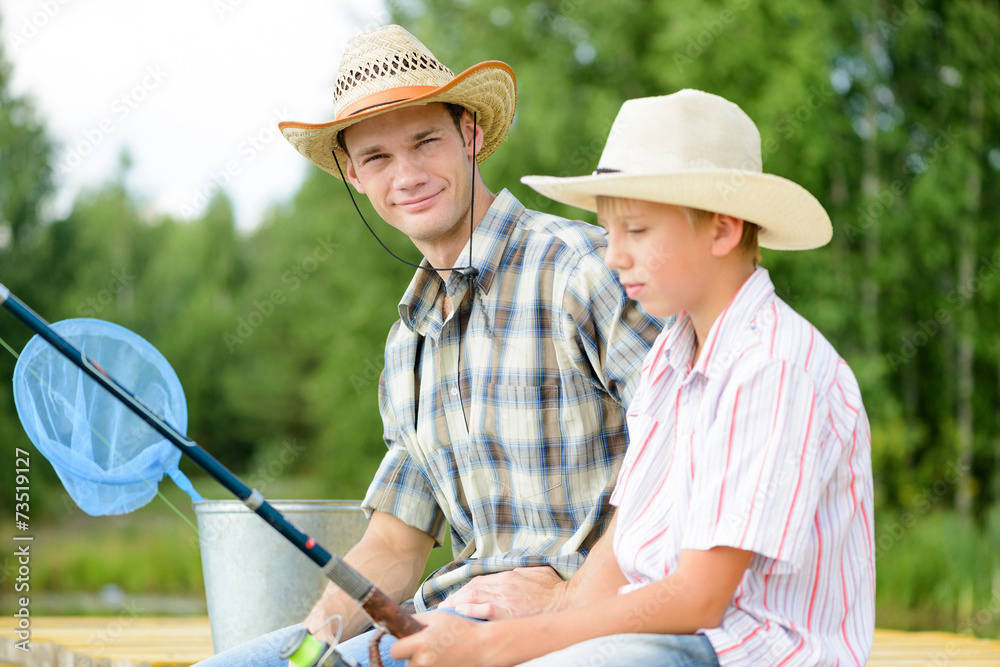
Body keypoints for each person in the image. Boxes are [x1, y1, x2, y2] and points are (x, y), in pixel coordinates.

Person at [196, 24, 662, 667]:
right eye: (378, 158)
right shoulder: (407, 343)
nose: (407, 175)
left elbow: (683, 452)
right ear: (355, 176)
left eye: (425, 142)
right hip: (454, 629)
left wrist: (567, 602)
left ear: (470, 135)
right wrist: (308, 652)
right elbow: (395, 543)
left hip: (599, 631)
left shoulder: (579, 268)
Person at [391, 90, 875, 667]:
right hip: (654, 639)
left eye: (637, 232)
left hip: (742, 651)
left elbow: (697, 598)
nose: (614, 256)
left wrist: (495, 646)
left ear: (721, 230)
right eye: (608, 232)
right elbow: (626, 547)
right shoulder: (673, 359)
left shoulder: (771, 364)